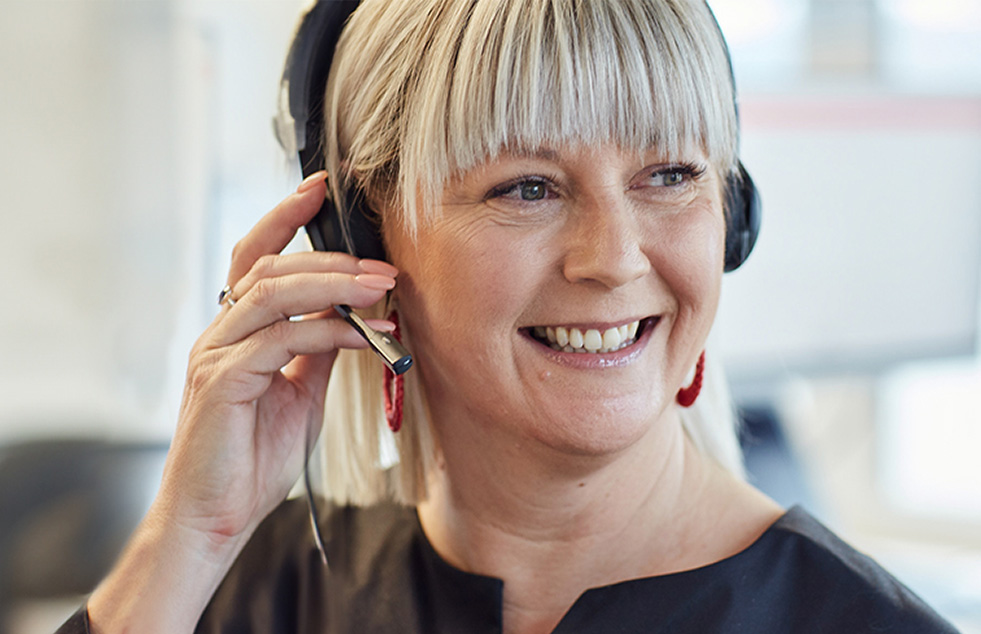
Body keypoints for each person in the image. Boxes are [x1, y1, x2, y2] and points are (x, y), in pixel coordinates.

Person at [58, 0, 957, 632]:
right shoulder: (265, 586)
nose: (611, 258)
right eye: (525, 188)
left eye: (670, 176)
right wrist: (190, 538)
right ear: (361, 238)